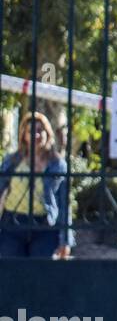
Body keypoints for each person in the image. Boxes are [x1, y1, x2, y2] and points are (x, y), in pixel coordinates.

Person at [0, 111, 72, 259]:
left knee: (40, 274)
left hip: (44, 225)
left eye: (40, 130)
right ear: (24, 135)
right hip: (12, 223)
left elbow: (64, 204)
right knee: (12, 273)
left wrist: (66, 240)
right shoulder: (12, 161)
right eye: (31, 131)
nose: (36, 135)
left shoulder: (57, 165)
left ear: (47, 133)